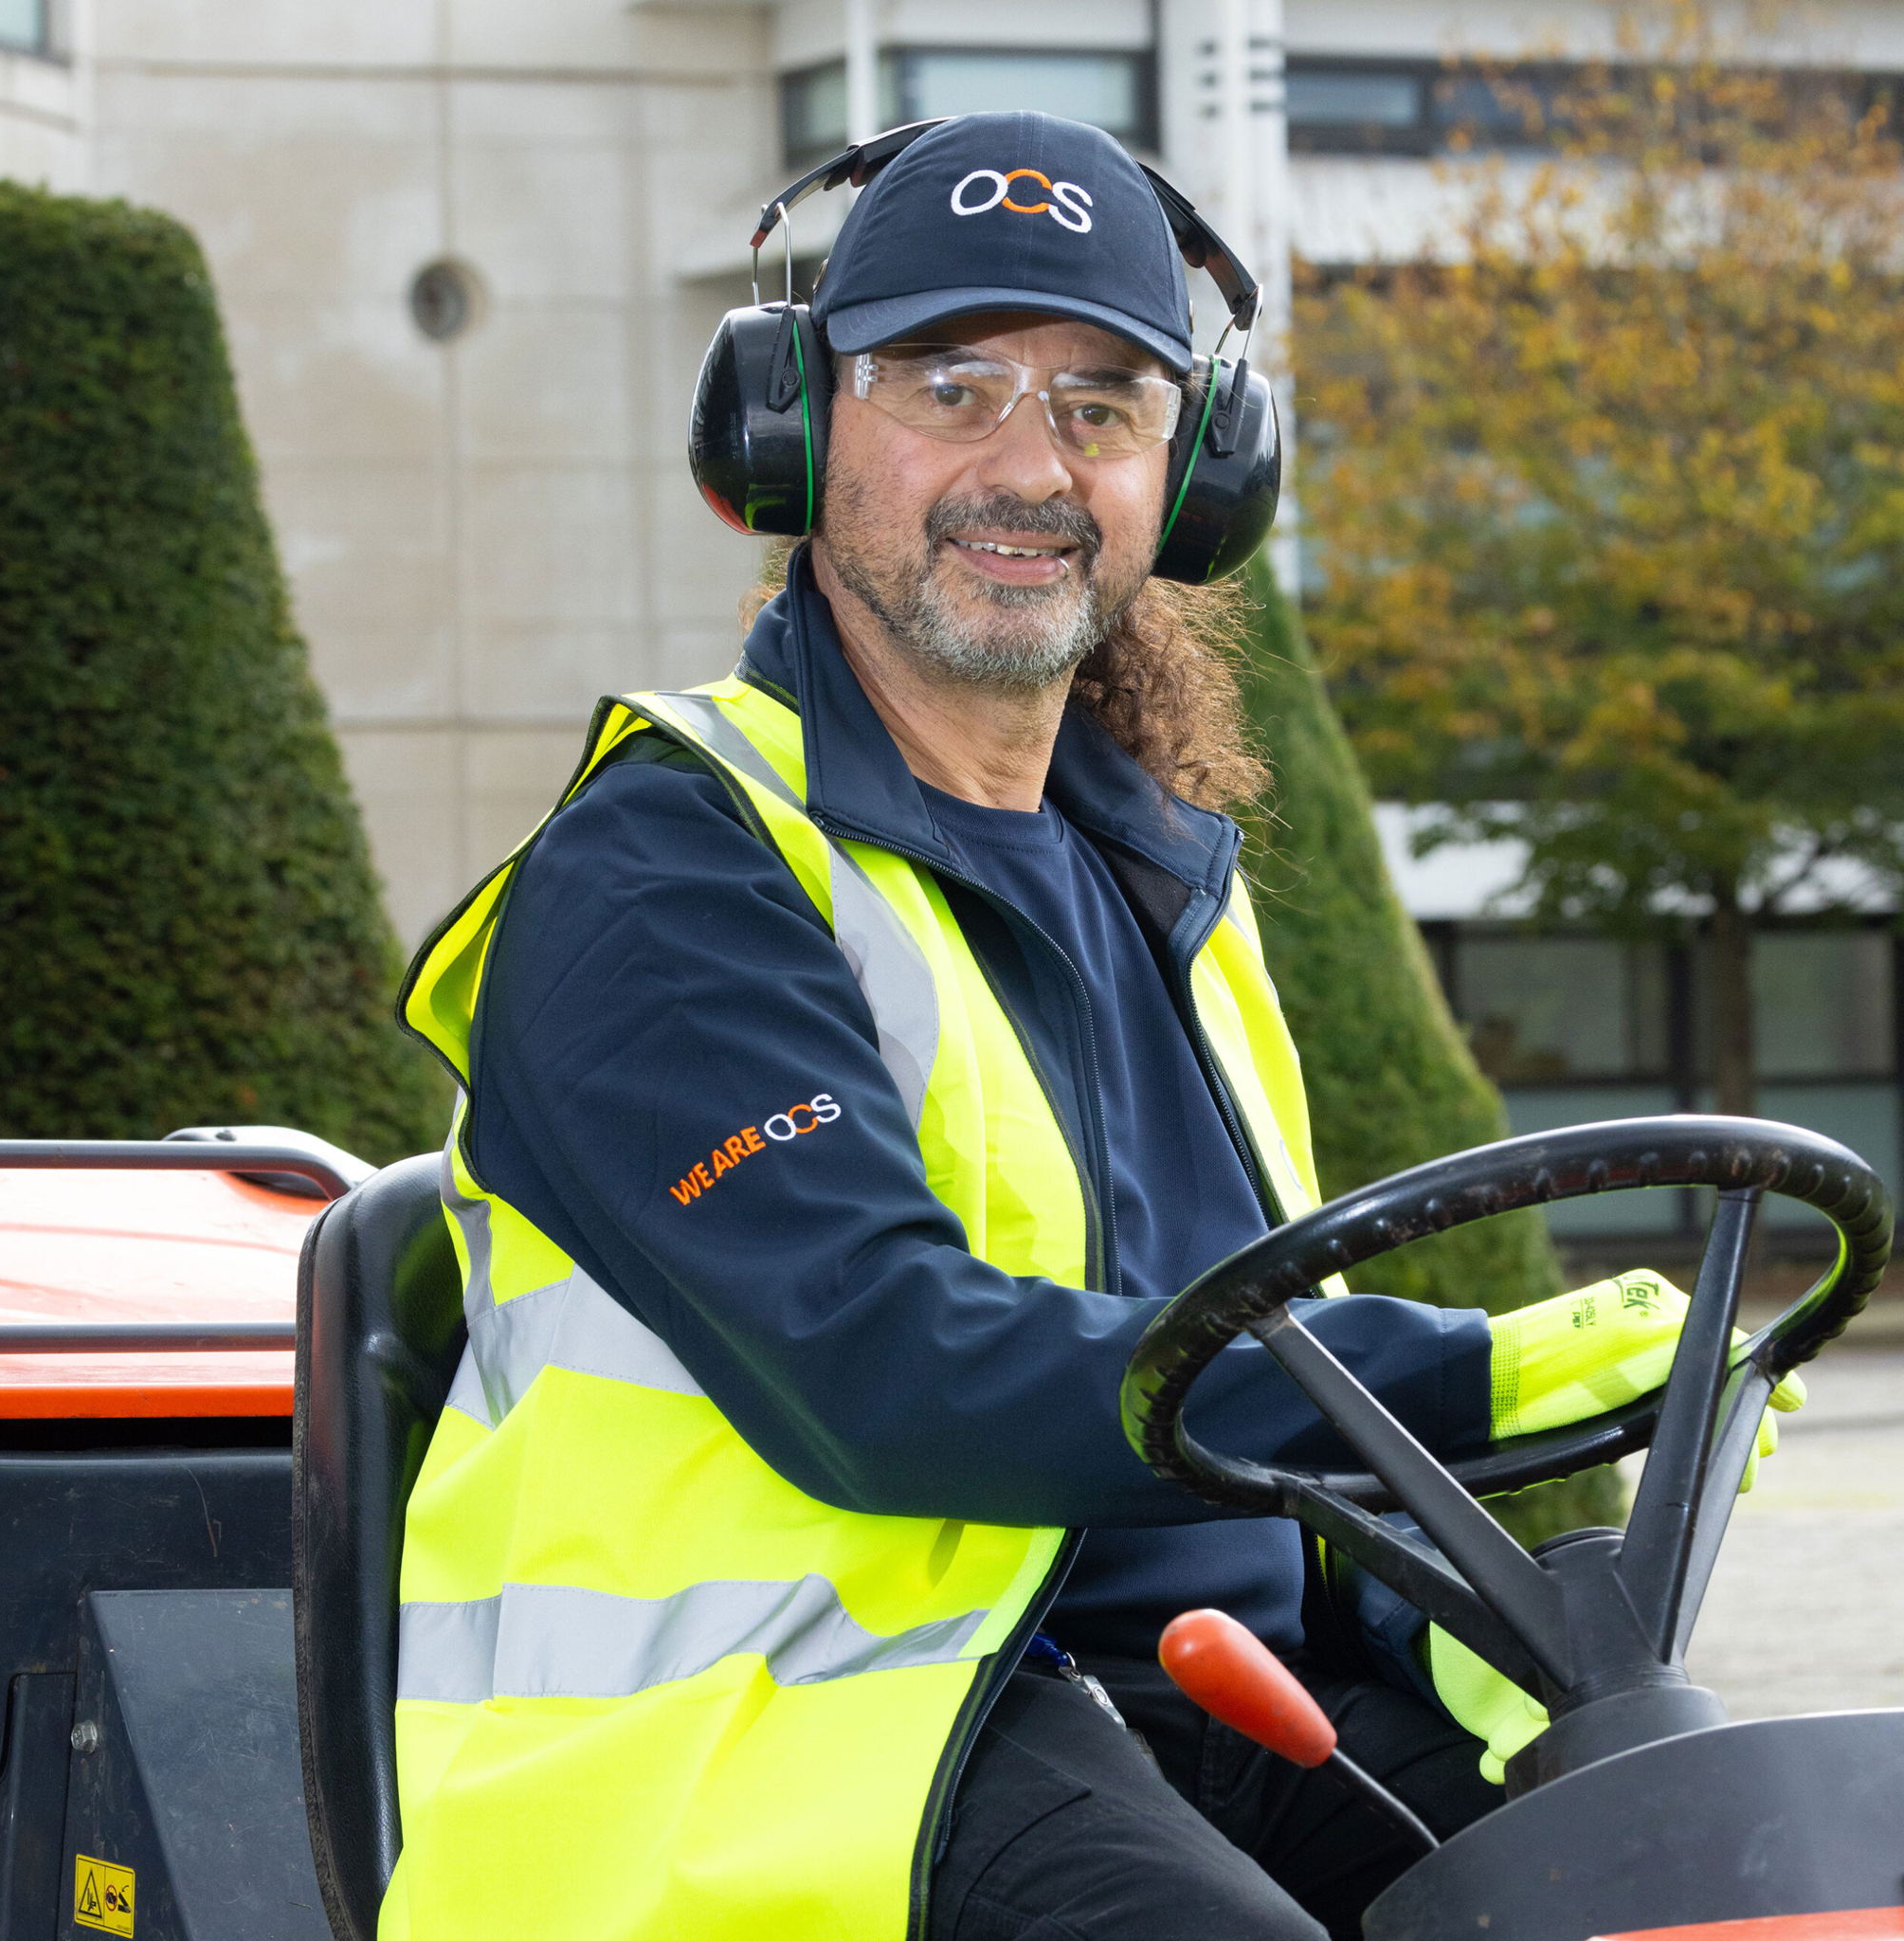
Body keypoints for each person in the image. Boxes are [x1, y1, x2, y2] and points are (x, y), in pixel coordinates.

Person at [380, 113, 1796, 1941]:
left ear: (1193, 480)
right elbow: (890, 1371)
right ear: (795, 430)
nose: (1026, 463)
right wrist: (1448, 1379)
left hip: (1191, 1709)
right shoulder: (667, 868)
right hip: (786, 1756)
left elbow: (1226, 1371)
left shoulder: (1169, 894)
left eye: (1101, 404)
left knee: (1698, 1883)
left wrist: (1490, 1571)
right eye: (949, 384)